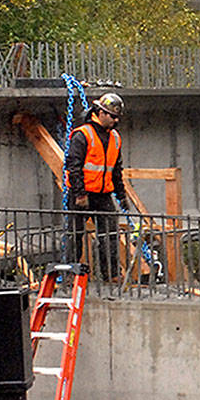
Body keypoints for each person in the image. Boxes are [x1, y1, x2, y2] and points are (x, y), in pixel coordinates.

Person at [64, 92, 127, 282]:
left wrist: (121, 195)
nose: (115, 120)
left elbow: (116, 170)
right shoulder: (83, 135)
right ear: (100, 112)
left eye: (117, 117)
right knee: (75, 235)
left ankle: (111, 274)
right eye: (112, 116)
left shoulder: (115, 137)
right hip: (82, 195)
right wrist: (80, 193)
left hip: (103, 194)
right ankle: (71, 274)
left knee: (110, 235)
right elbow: (73, 166)